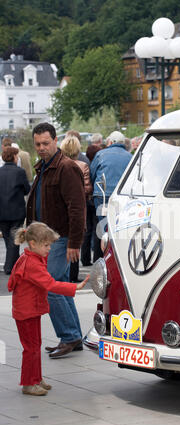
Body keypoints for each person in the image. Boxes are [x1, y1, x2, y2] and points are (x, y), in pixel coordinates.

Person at [8, 222, 89, 396]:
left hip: (29, 310)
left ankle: (35, 378)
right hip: (27, 311)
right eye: (46, 245)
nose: (49, 249)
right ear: (33, 244)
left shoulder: (30, 257)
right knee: (31, 347)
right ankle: (29, 383)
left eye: (50, 245)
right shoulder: (33, 263)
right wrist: (75, 287)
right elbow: (50, 284)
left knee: (35, 345)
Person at [26, 122, 86, 358]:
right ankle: (73, 336)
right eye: (37, 144)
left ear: (55, 141)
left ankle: (69, 336)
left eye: (45, 143)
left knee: (49, 286)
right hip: (46, 238)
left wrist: (75, 242)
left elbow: (77, 208)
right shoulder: (44, 166)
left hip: (61, 237)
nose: (41, 147)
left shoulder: (66, 167)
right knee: (59, 285)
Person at [60, 135, 92, 281]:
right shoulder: (82, 165)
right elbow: (87, 188)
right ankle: (73, 275)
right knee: (75, 241)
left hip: (61, 208)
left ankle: (62, 275)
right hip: (79, 207)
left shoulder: (59, 164)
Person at [0, 146, 30, 274]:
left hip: (2, 211)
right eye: (17, 156)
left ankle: (14, 263)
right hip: (16, 211)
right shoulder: (20, 172)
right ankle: (9, 266)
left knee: (8, 239)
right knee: (14, 239)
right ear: (13, 157)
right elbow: (27, 189)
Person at [90, 131, 132, 223]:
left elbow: (92, 174)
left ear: (111, 142)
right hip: (122, 195)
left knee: (104, 225)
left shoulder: (100, 154)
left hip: (102, 195)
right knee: (118, 224)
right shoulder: (130, 156)